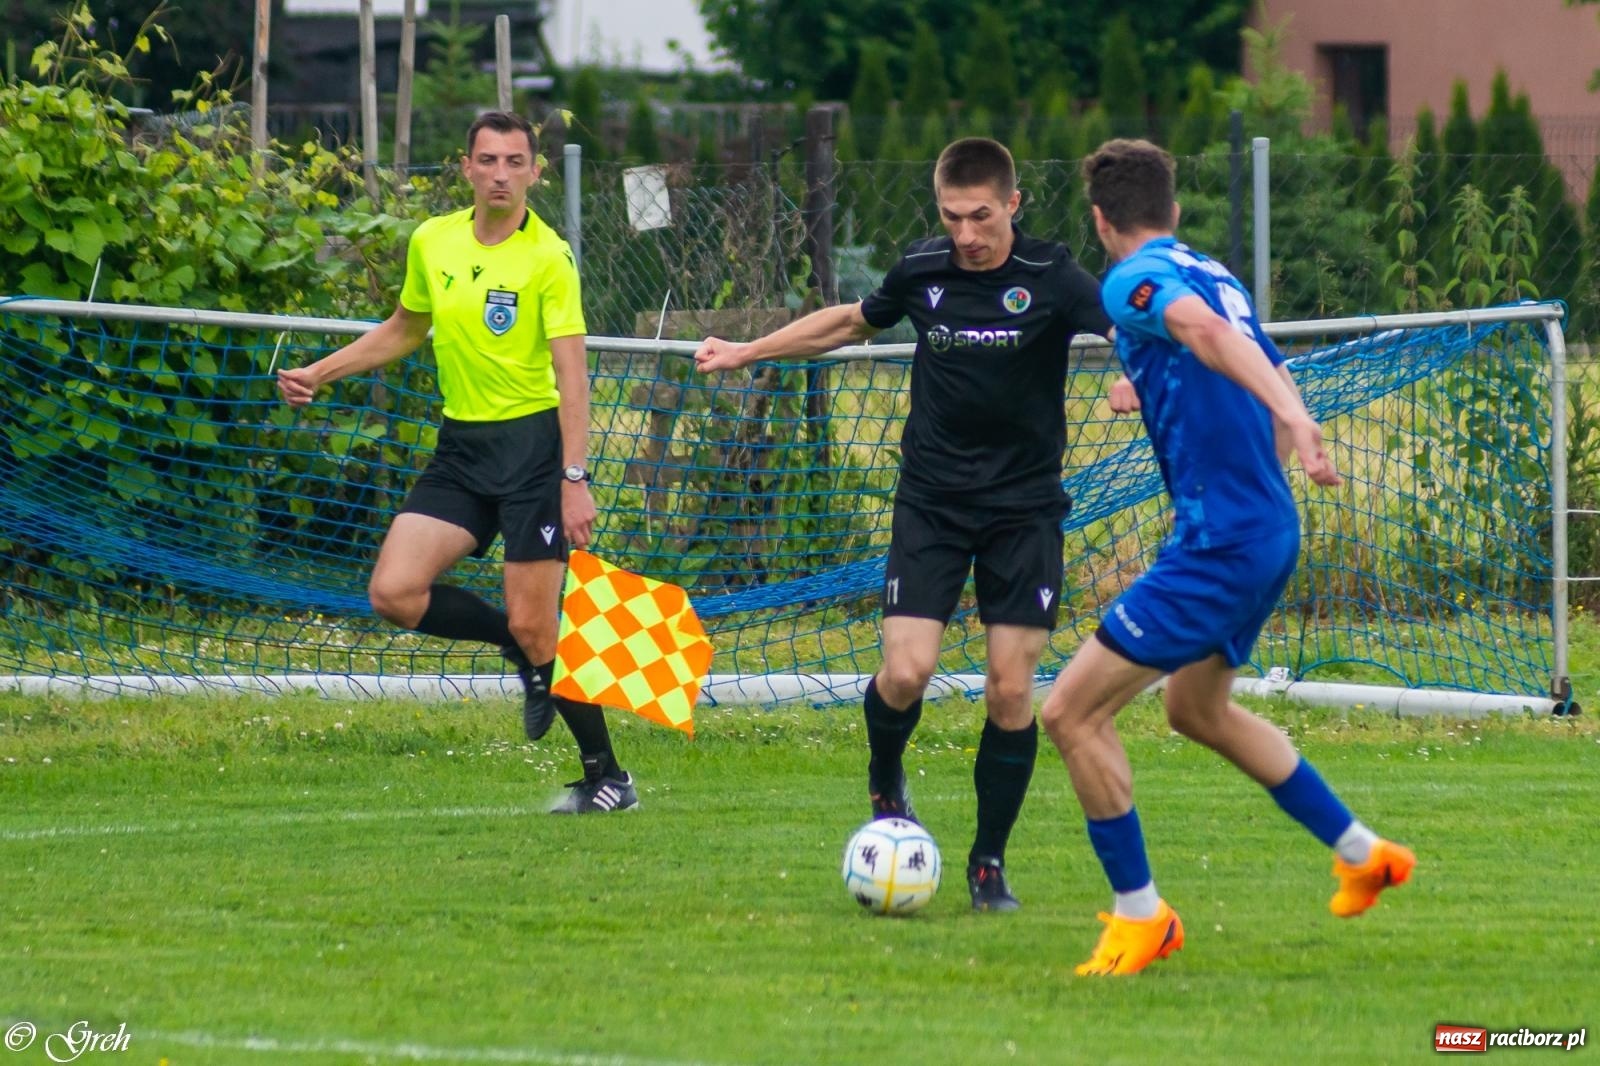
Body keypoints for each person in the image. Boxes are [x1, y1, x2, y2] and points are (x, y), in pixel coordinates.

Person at [696, 138, 1113, 911]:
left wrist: (1134, 375)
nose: (965, 234)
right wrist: (750, 349)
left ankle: (987, 864)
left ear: (1013, 204)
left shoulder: (1052, 277)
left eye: (981, 216)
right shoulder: (923, 271)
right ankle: (886, 780)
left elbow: (1130, 329)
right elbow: (851, 322)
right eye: (952, 216)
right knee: (906, 673)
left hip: (1024, 512)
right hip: (933, 504)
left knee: (1009, 690)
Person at [1039, 138, 1414, 975]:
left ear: (1102, 221)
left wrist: (1297, 417)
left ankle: (1143, 917)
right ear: (1173, 211)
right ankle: (1362, 852)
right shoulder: (1219, 272)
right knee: (1194, 711)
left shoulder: (1133, 283)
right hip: (1265, 529)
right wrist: (1290, 427)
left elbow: (1201, 334)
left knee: (1069, 713)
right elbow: (1235, 360)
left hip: (1221, 542)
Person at [276, 111, 636, 814]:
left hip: (533, 454)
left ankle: (608, 778)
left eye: (514, 162)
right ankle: (518, 651)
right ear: (465, 168)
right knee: (394, 593)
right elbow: (405, 329)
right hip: (461, 450)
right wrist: (321, 372)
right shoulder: (433, 241)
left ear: (535, 172)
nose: (501, 174)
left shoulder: (548, 257)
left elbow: (574, 377)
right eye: (488, 160)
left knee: (542, 628)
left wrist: (574, 479)